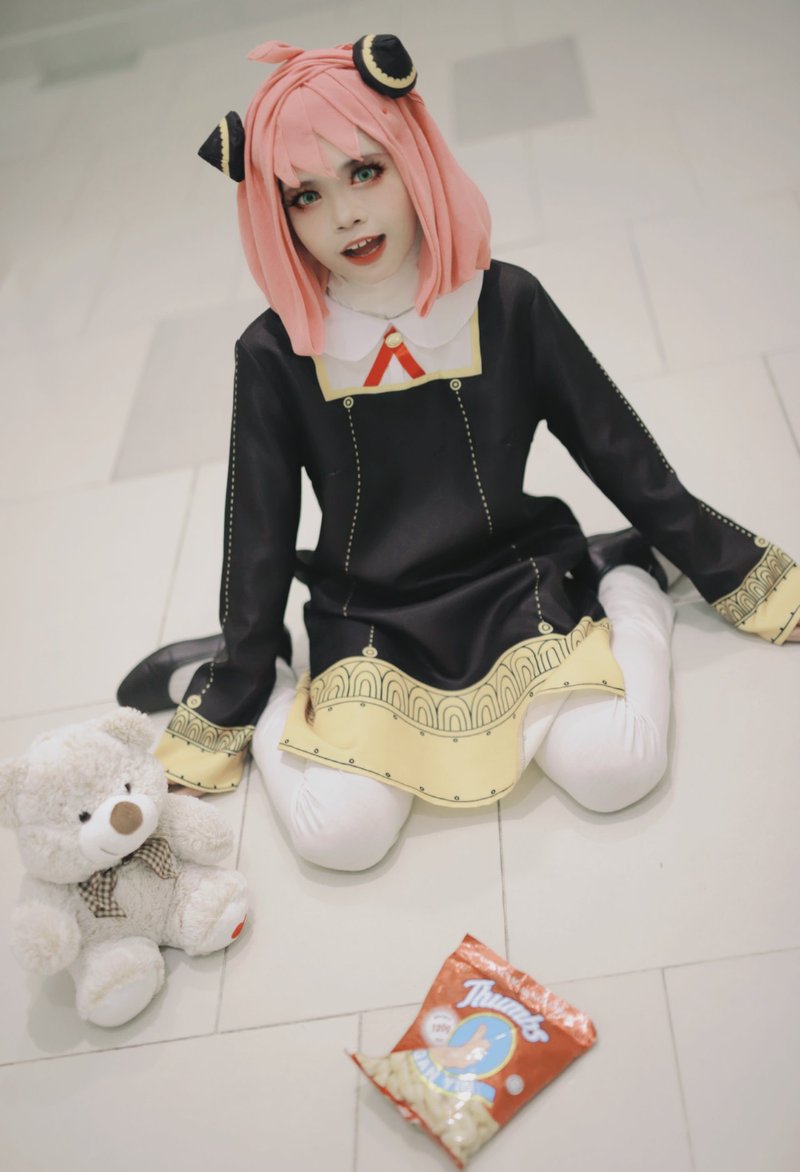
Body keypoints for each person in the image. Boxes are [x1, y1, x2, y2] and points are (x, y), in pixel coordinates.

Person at [118, 35, 800, 872]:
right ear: (275, 213)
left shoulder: (506, 302)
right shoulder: (273, 354)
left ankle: (628, 580)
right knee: (343, 838)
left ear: (413, 157)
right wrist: (236, 690)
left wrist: (739, 574)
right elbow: (259, 533)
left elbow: (617, 449)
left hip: (512, 580)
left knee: (617, 768)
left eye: (365, 171)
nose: (345, 215)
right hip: (369, 615)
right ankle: (282, 686)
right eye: (306, 195)